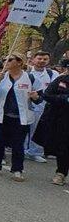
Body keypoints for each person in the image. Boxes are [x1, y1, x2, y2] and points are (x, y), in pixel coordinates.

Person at [0, 52, 42, 181]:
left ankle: (17, 170)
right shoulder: (0, 76)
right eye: (4, 60)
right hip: (1, 116)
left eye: (9, 60)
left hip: (21, 118)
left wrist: (36, 97)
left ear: (19, 62)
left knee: (18, 144)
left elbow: (39, 98)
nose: (5, 62)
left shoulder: (30, 78)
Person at [33, 58, 69, 186]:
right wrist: (64, 98)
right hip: (62, 120)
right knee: (63, 147)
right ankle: (61, 173)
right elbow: (47, 95)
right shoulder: (61, 80)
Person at [24, 51, 55, 163]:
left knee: (39, 130)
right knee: (23, 129)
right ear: (33, 59)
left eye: (45, 59)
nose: (42, 61)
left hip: (43, 107)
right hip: (25, 105)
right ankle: (22, 150)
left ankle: (35, 152)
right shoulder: (25, 72)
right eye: (39, 58)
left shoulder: (52, 74)